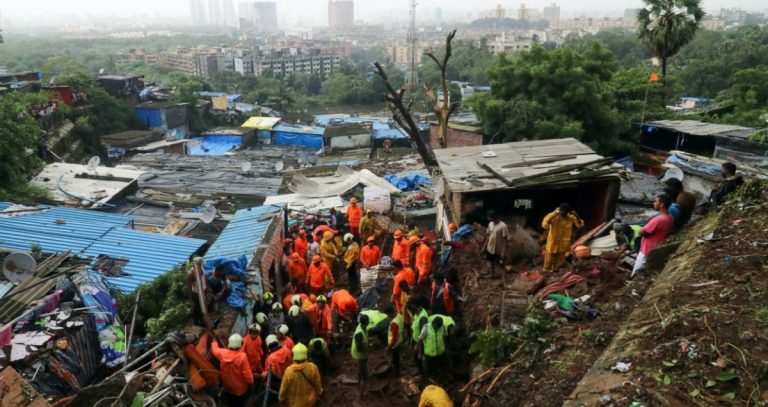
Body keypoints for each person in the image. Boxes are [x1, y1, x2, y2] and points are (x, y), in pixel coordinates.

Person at [632, 194, 674, 278]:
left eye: (656, 201)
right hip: (656, 247)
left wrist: (641, 228)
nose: (654, 203)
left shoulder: (658, 219)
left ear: (662, 204)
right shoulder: (670, 217)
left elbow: (642, 232)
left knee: (635, 274)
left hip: (646, 250)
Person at [211, 334, 254, 407]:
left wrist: (214, 342)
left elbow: (214, 349)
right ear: (240, 344)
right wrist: (251, 385)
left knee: (231, 402)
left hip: (228, 387)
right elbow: (247, 376)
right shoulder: (242, 357)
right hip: (240, 390)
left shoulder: (222, 353)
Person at [541, 204, 584, 272]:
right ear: (560, 210)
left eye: (565, 213)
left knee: (560, 261)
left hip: (563, 243)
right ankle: (546, 271)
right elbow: (544, 224)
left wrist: (577, 216)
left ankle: (556, 272)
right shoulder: (554, 216)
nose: (563, 214)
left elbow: (580, 225)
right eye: (562, 212)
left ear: (568, 212)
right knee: (549, 258)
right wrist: (554, 214)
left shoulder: (571, 218)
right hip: (553, 242)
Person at [419, 316, 448, 381]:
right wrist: (420, 353)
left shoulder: (443, 327)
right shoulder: (426, 328)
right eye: (436, 326)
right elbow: (420, 340)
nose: (437, 328)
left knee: (439, 368)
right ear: (433, 323)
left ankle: (439, 380)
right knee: (428, 370)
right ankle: (428, 381)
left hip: (440, 353)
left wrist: (446, 348)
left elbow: (445, 336)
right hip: (429, 354)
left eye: (438, 327)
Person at [483, 210, 510, 278]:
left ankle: (504, 282)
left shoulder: (503, 226)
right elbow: (488, 235)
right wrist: (484, 246)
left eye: (488, 217)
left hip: (498, 250)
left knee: (501, 265)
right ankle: (492, 274)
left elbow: (505, 240)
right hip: (490, 248)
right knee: (491, 262)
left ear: (492, 217)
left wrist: (503, 252)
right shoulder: (490, 224)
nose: (488, 218)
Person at [385, 305, 405, 376]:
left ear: (389, 314)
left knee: (395, 359)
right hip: (399, 340)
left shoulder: (394, 323)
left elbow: (394, 338)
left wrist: (389, 347)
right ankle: (397, 366)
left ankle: (397, 373)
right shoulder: (399, 316)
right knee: (397, 357)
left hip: (394, 344)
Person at [351, 313, 371, 383]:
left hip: (363, 351)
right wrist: (368, 346)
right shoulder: (359, 333)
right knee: (363, 364)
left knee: (363, 364)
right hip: (359, 353)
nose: (369, 322)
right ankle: (364, 378)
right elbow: (359, 348)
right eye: (368, 321)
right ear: (366, 323)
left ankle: (360, 376)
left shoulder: (362, 326)